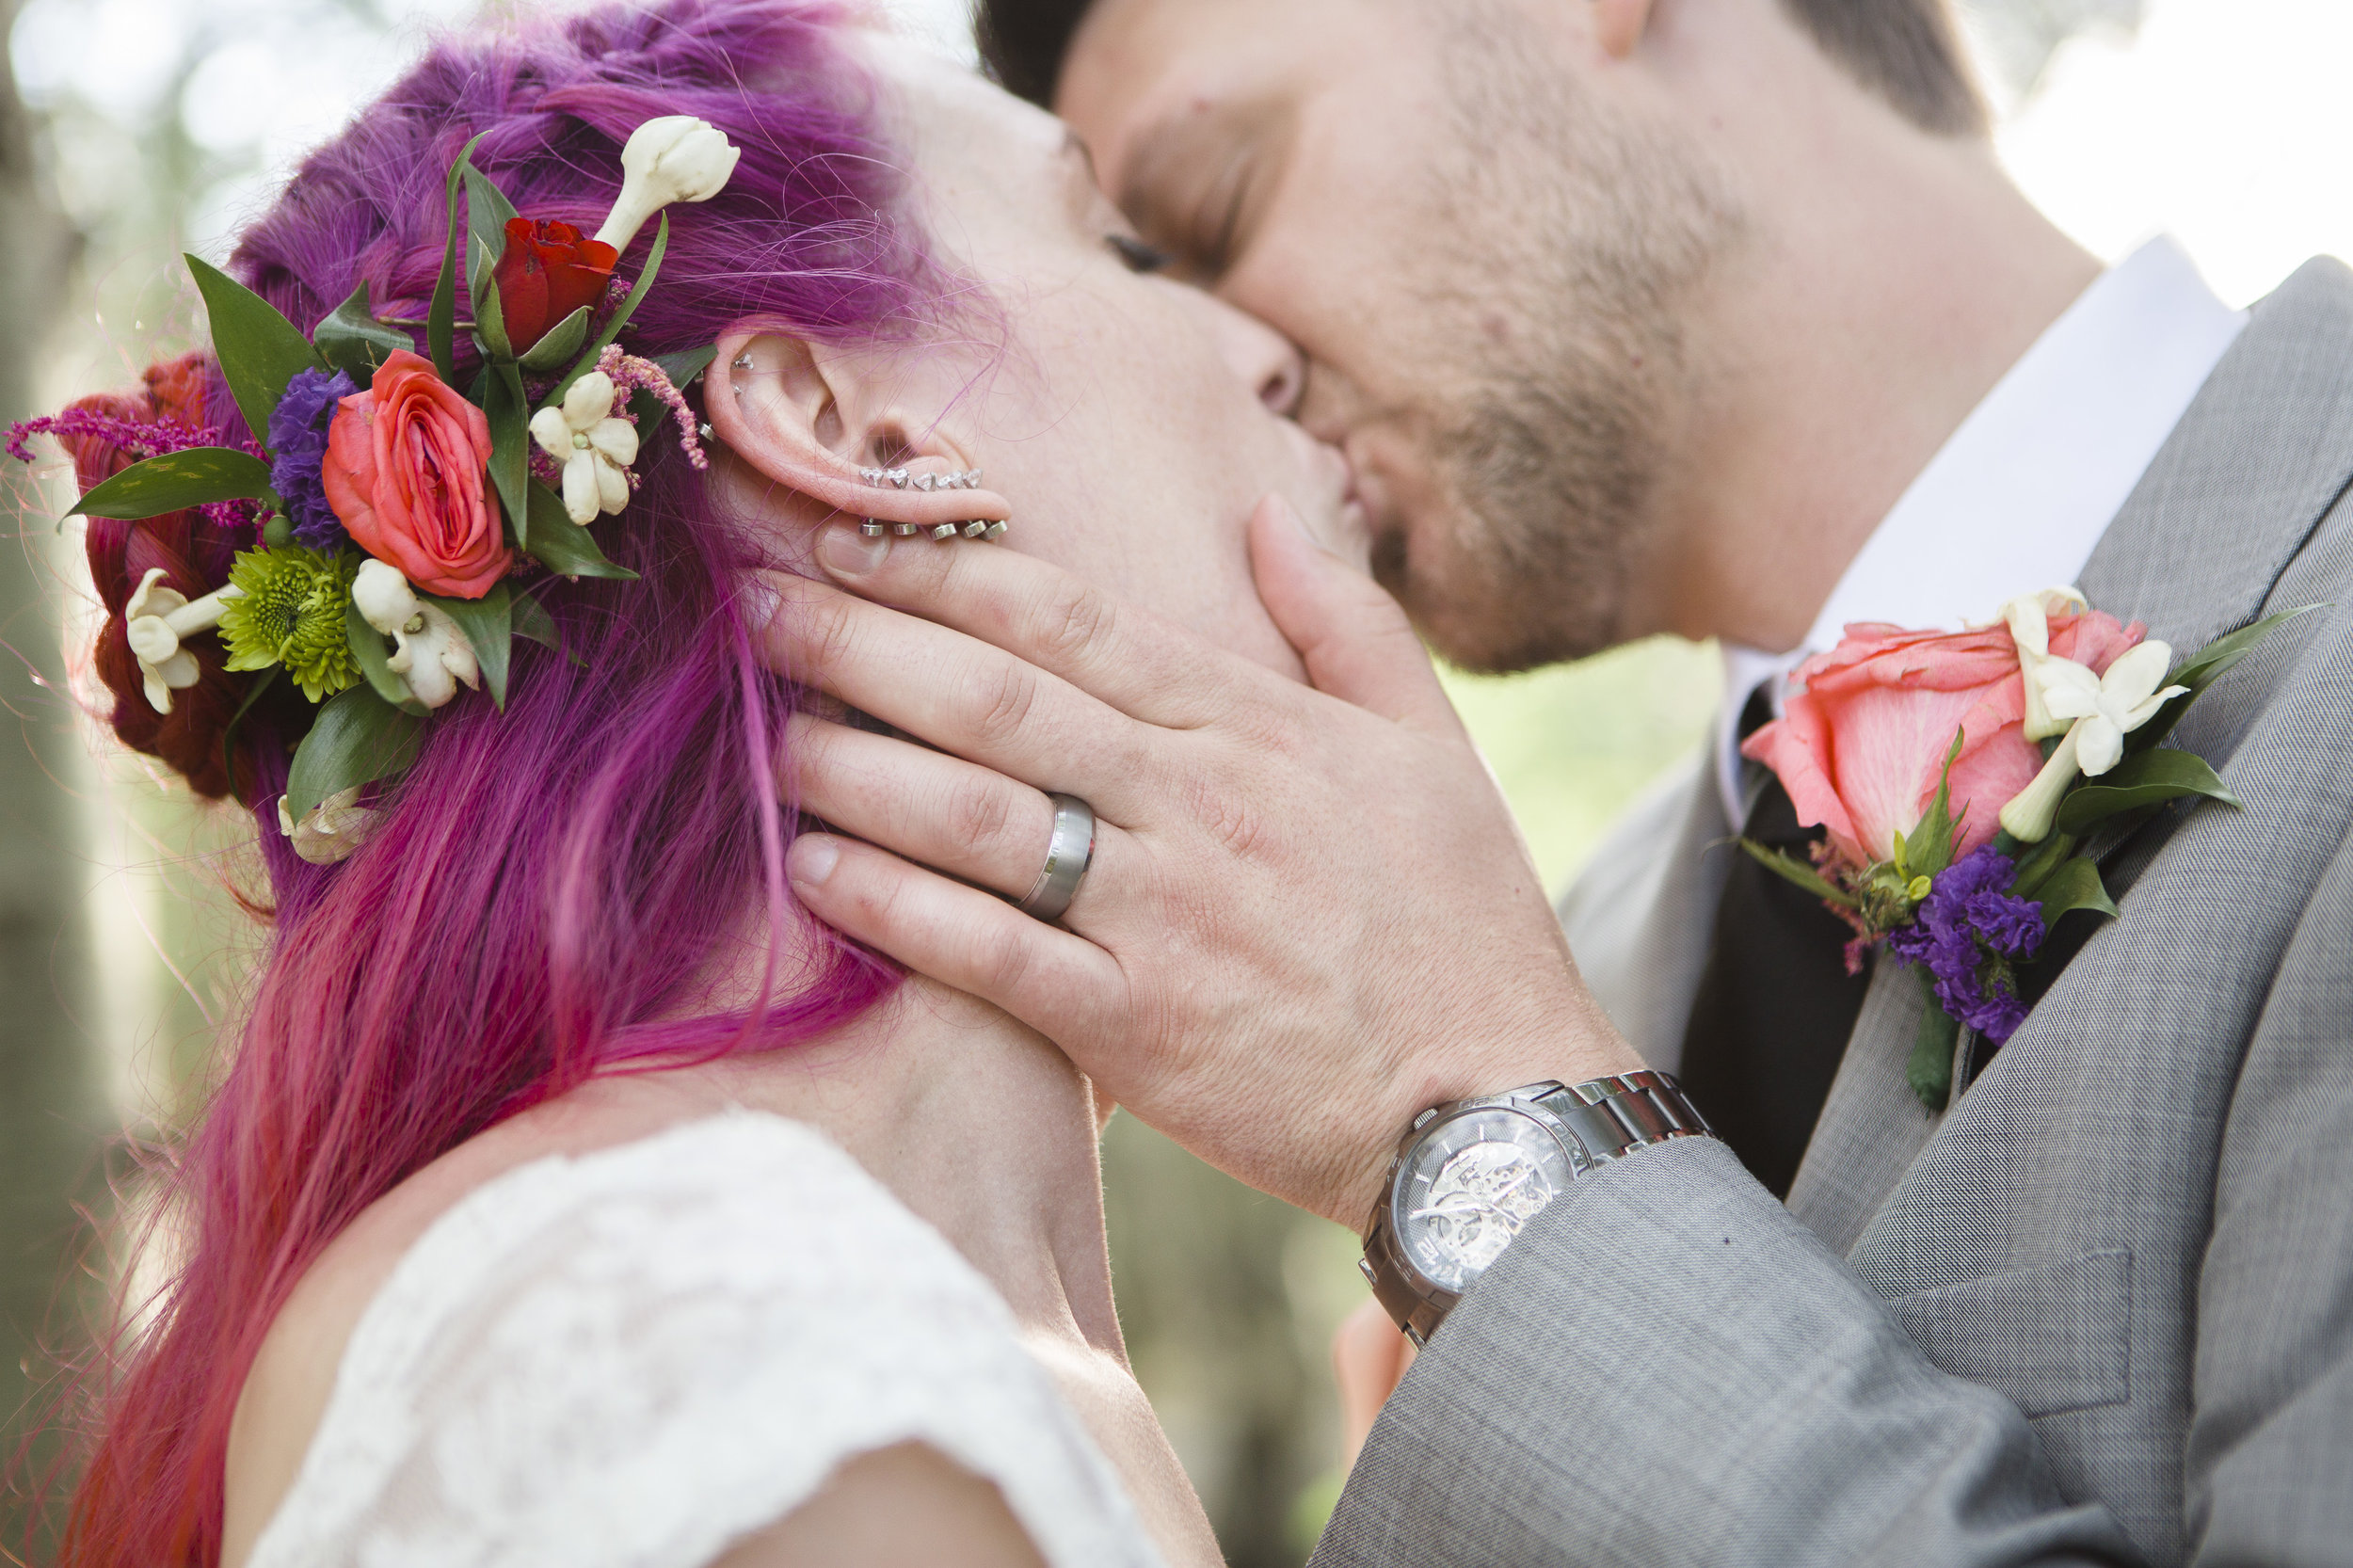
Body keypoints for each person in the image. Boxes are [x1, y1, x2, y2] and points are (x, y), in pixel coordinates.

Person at [771, 0, 2353, 1560]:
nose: (1227, 349)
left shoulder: (1479, 1064)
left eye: (1218, 206)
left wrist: (1517, 1171)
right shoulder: (1577, 948)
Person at [23, 2, 1375, 1563]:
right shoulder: (688, 1332)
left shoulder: (834, 1323)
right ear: (835, 424)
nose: (1274, 348)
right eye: (1129, 247)